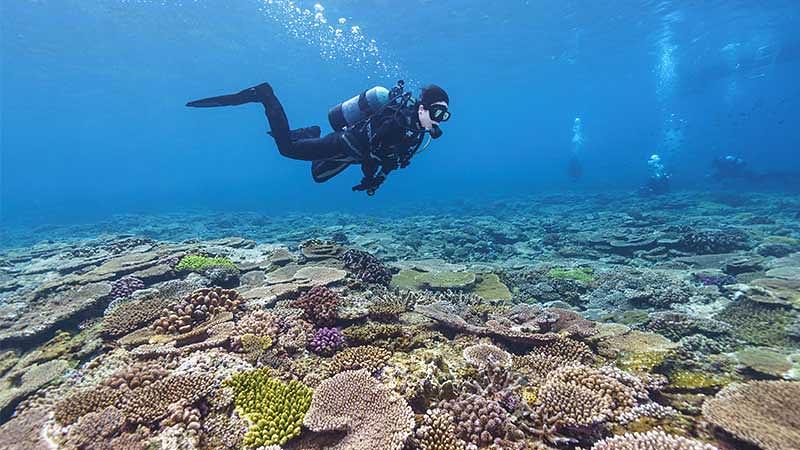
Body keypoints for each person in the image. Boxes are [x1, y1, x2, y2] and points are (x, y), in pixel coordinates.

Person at [186, 80, 450, 195]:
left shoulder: (415, 134)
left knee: (318, 177)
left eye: (445, 116)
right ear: (423, 107)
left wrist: (374, 179)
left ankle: (310, 133)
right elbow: (374, 150)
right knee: (287, 149)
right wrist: (371, 176)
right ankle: (265, 95)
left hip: (350, 156)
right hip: (344, 144)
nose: (439, 119)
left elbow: (390, 160)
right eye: (437, 111)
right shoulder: (397, 120)